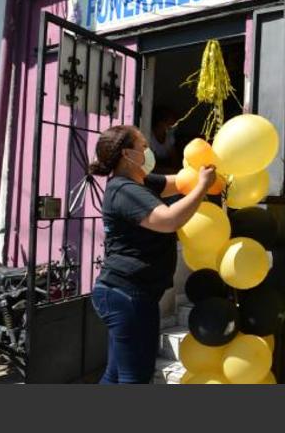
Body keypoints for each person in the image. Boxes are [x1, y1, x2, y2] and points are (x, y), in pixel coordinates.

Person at [88, 124, 216, 384]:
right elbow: (168, 220)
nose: (148, 152)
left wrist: (206, 166)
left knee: (116, 374)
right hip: (128, 295)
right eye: (143, 146)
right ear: (127, 154)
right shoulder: (125, 190)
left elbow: (178, 182)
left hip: (125, 293)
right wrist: (202, 187)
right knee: (135, 377)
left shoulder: (141, 183)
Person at [149, 107, 181, 174]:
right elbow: (150, 166)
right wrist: (169, 171)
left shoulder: (169, 137)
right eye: (170, 123)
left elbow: (174, 159)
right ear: (161, 123)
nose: (173, 126)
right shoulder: (150, 138)